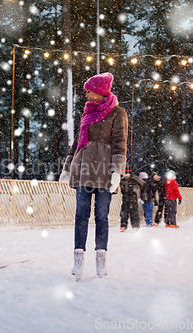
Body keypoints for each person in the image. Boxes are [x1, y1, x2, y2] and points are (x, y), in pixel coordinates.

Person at [59, 72, 128, 280]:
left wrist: (117, 172)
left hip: (104, 172)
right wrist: (68, 165)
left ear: (99, 91)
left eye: (89, 91)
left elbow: (120, 144)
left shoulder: (118, 113)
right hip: (84, 170)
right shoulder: (87, 112)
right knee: (81, 215)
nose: (86, 95)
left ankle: (101, 257)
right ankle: (78, 258)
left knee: (101, 216)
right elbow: (77, 142)